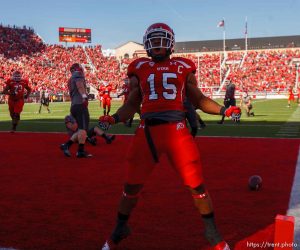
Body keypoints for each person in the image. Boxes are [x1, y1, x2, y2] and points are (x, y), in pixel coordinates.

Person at [99, 23, 240, 250]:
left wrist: (225, 110)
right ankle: (120, 228)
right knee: (131, 186)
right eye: (153, 41)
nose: (157, 45)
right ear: (147, 44)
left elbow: (199, 100)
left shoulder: (183, 66)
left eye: (161, 40)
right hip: (147, 132)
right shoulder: (139, 66)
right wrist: (113, 118)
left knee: (197, 185)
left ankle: (212, 233)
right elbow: (133, 102)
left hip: (177, 129)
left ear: (170, 43)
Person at [63, 63, 91, 158]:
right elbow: (80, 86)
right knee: (83, 129)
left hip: (74, 105)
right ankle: (80, 151)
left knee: (81, 129)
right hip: (79, 104)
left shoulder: (70, 79)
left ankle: (66, 145)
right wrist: (84, 97)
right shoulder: (77, 75)